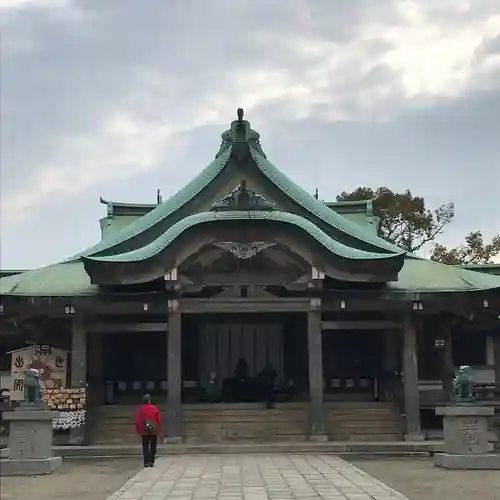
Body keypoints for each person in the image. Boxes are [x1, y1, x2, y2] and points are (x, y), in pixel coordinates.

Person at [135, 394, 162, 467]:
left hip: (144, 431)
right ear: (149, 401)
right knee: (153, 445)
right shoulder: (154, 408)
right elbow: (158, 420)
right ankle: (151, 461)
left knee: (145, 446)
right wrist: (159, 429)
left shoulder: (140, 409)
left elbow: (137, 421)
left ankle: (146, 462)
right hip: (153, 430)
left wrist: (139, 430)